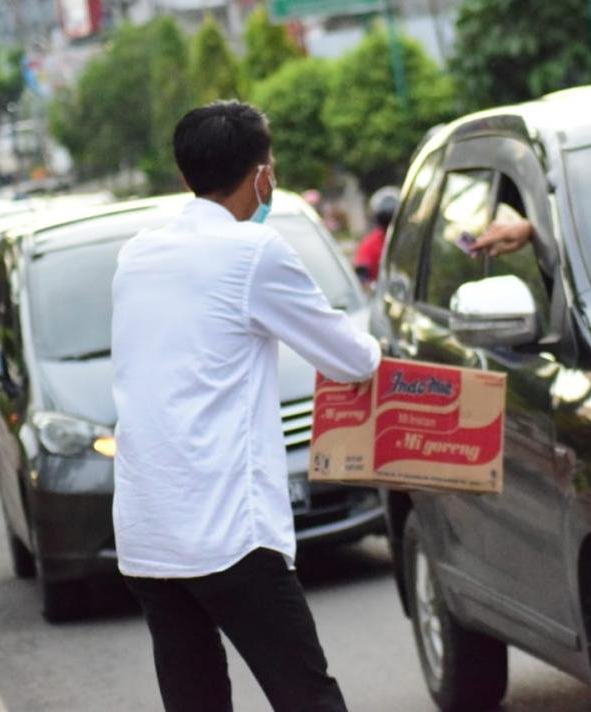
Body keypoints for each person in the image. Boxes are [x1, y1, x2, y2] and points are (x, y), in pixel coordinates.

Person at [110, 101, 379, 712]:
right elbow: (352, 361)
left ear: (187, 175)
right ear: (261, 176)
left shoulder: (137, 255)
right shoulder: (254, 252)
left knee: (196, 699)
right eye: (271, 166)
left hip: (149, 532)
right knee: (308, 696)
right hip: (226, 531)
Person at [353, 185, 400, 285]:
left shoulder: (410, 241)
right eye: (386, 221)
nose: (389, 226)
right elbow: (361, 276)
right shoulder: (371, 244)